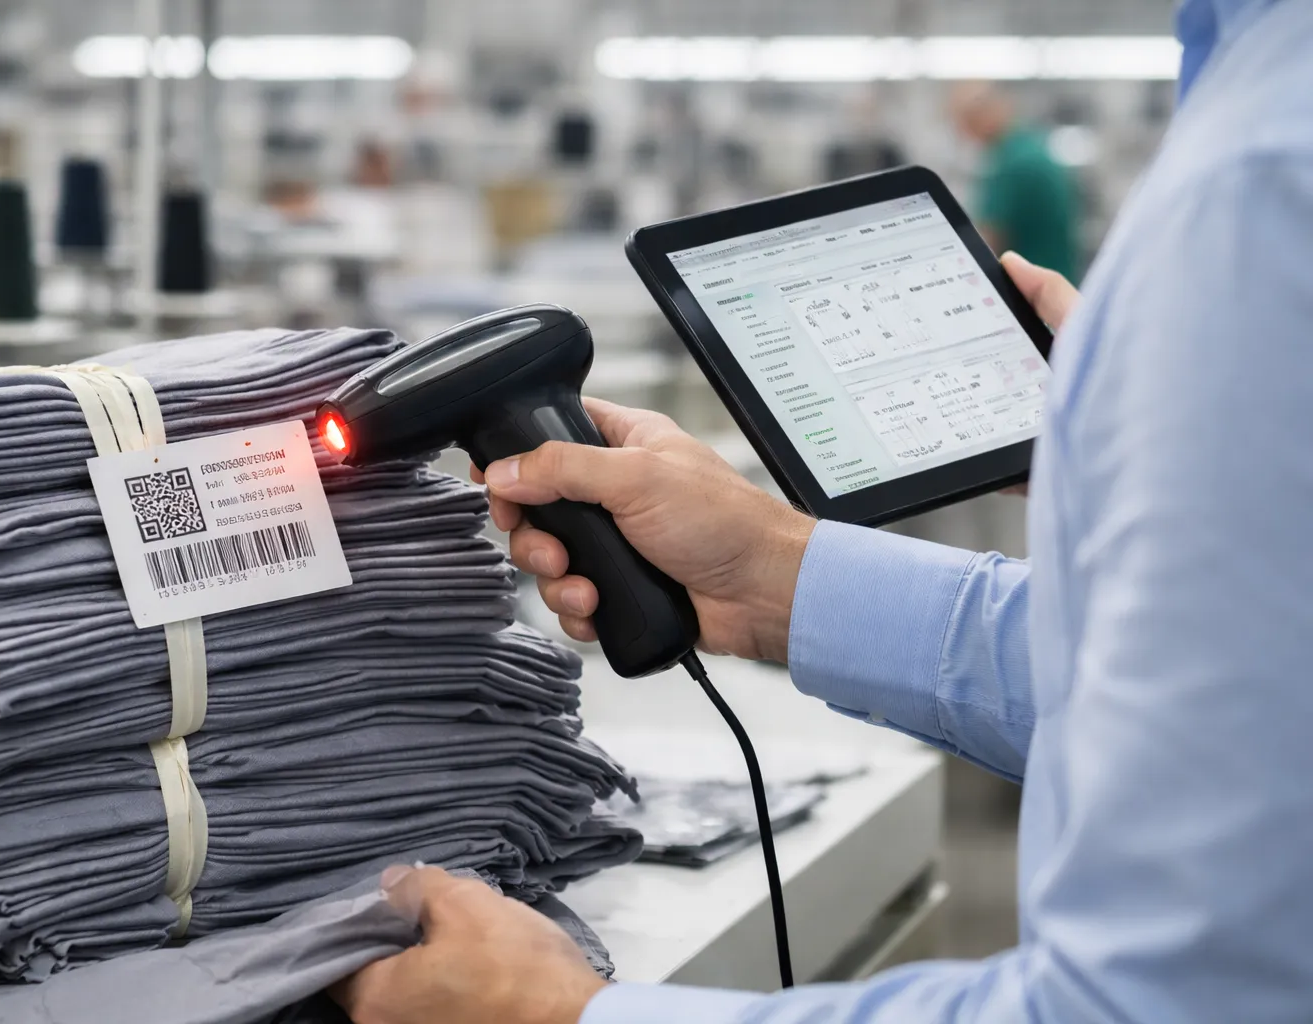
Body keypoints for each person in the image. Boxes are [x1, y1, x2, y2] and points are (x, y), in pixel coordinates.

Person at [334, 1, 1313, 1020]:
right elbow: (1235, 691)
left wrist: (566, 1014)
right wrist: (773, 573)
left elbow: (1166, 1004)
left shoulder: (1259, 175)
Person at [948, 81, 1078, 282]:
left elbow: (987, 242)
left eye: (967, 122)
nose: (965, 133)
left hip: (1031, 289)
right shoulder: (1033, 149)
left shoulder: (1011, 165)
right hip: (1059, 280)